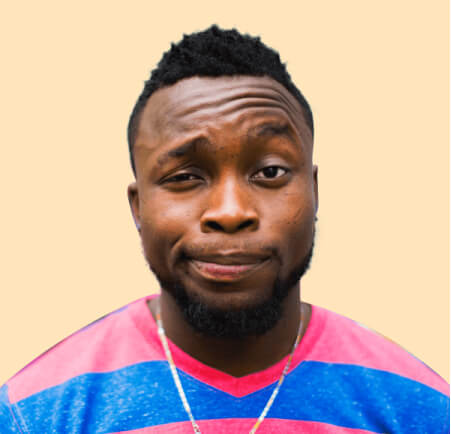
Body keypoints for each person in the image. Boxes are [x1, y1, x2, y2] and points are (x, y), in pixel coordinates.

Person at [1, 25, 448, 433]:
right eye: (185, 177)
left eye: (270, 172)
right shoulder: (35, 413)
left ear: (314, 192)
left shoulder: (420, 408)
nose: (231, 212)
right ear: (138, 208)